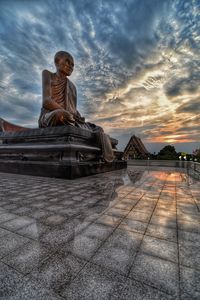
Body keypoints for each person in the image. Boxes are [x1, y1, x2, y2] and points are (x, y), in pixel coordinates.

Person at [38, 51, 114, 162]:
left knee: (98, 129)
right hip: (50, 115)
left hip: (71, 118)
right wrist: (67, 113)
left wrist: (78, 116)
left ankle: (104, 154)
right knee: (62, 115)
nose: (70, 66)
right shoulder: (48, 74)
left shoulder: (72, 87)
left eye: (73, 65)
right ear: (56, 61)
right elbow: (46, 101)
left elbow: (72, 109)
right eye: (67, 62)